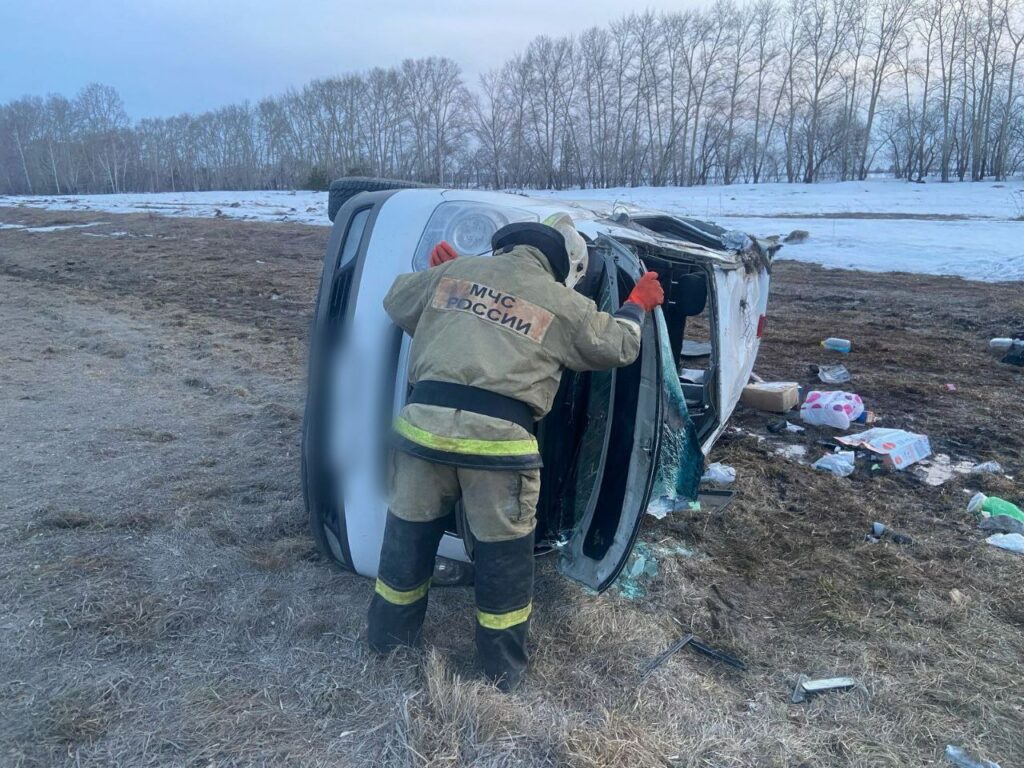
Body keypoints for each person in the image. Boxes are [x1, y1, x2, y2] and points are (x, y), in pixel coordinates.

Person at [367, 213, 664, 691]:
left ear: (503, 247)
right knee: (503, 559)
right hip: (498, 448)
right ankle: (501, 673)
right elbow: (617, 346)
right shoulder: (561, 301)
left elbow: (397, 301)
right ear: (558, 265)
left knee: (408, 538)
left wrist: (450, 288)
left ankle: (387, 641)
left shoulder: (454, 274)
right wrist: (636, 304)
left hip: (422, 434)